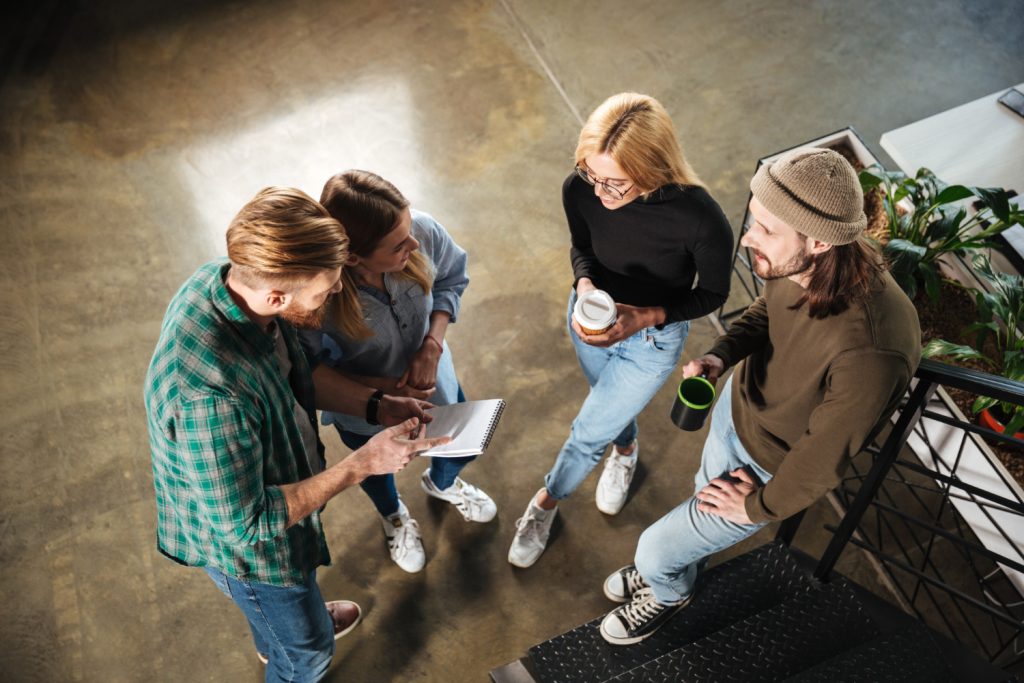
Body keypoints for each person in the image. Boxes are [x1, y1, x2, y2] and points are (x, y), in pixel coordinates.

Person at [596, 147, 922, 645]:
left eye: (766, 230)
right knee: (697, 501)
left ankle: (666, 591)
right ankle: (676, 570)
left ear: (817, 240)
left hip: (768, 464)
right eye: (753, 220)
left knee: (654, 550)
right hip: (740, 408)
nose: (747, 238)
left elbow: (821, 460)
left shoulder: (872, 352)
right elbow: (766, 314)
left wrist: (756, 508)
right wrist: (723, 355)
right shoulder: (807, 265)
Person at [144, 187, 448, 682]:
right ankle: (297, 643)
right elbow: (246, 525)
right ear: (279, 296)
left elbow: (295, 370)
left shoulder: (229, 282)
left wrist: (376, 404)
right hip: (251, 553)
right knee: (306, 657)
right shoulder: (209, 398)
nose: (334, 295)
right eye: (327, 289)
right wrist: (361, 465)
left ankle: (283, 632)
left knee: (290, 615)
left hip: (267, 503)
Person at [508, 92, 734, 568]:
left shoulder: (700, 218)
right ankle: (627, 448)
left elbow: (712, 294)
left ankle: (546, 502)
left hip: (652, 340)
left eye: (615, 183)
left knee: (589, 430)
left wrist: (646, 316)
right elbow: (581, 248)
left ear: (653, 169)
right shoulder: (579, 188)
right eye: (592, 175)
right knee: (607, 406)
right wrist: (585, 284)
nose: (599, 193)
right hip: (590, 317)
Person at [301, 170, 496, 573]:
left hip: (436, 385)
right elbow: (308, 370)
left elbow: (451, 278)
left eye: (409, 229)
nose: (414, 243)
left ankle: (442, 484)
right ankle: (393, 516)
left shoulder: (419, 230)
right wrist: (382, 390)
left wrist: (433, 344)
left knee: (458, 445)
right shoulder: (317, 299)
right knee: (377, 468)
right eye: (397, 245)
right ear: (353, 258)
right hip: (364, 413)